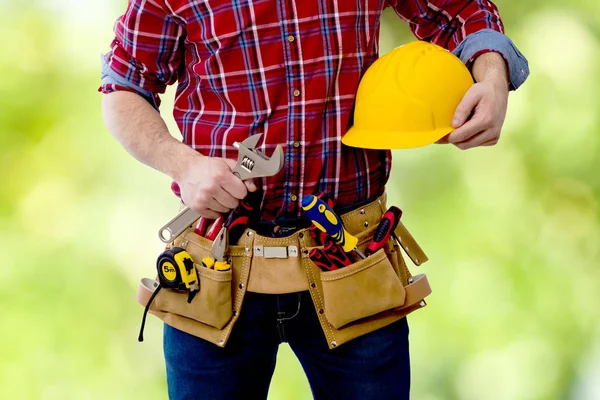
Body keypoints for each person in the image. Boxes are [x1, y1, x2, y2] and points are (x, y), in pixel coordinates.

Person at [100, 1, 529, 399]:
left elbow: (462, 11)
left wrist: (493, 77)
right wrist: (183, 164)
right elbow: (122, 86)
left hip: (353, 260)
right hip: (216, 267)